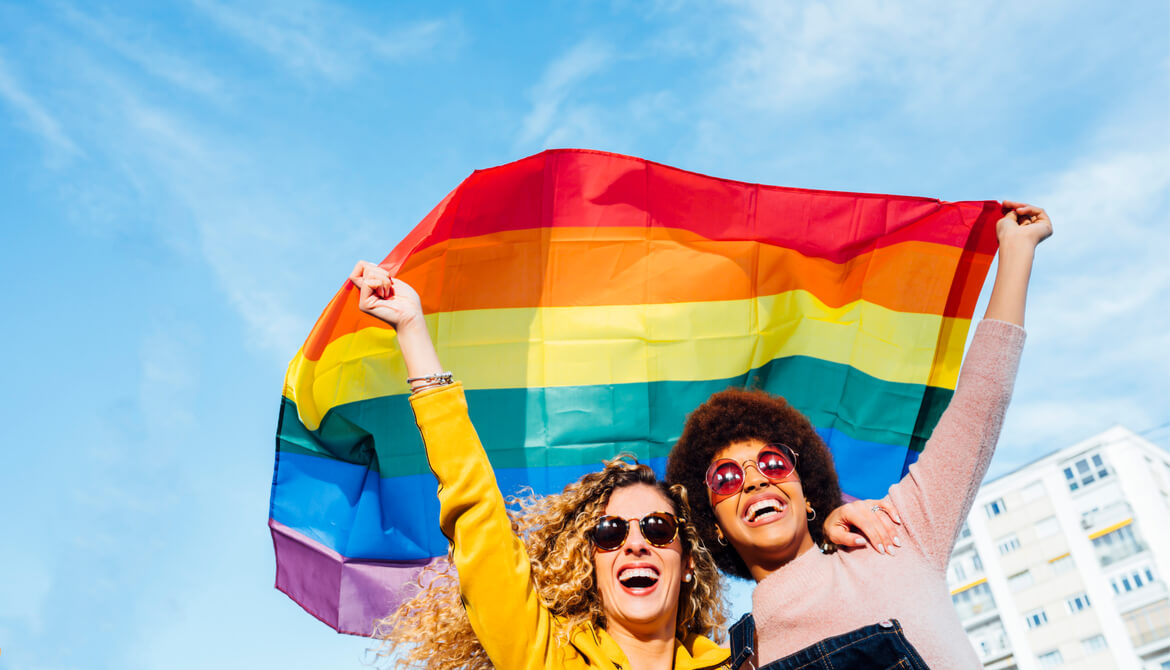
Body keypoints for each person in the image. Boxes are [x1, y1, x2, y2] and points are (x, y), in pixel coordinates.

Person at [347, 262, 903, 670]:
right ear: (591, 563)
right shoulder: (547, 658)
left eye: (658, 529)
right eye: (610, 533)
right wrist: (412, 331)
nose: (634, 543)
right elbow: (477, 517)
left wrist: (823, 529)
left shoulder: (745, 662)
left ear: (687, 562)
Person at [666, 202, 1052, 669]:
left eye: (772, 463)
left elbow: (981, 401)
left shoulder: (898, 536)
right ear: (715, 527)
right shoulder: (739, 663)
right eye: (725, 478)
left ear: (805, 491)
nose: (754, 480)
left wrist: (1016, 249)